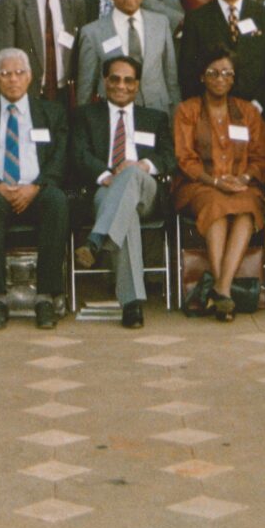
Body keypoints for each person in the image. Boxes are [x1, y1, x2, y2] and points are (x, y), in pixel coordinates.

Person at [0, 49, 71, 330]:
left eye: (19, 73)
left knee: (57, 200)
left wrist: (36, 186)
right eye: (5, 74)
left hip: (38, 191)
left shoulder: (52, 112)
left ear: (30, 77)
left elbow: (61, 159)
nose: (13, 80)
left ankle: (46, 297)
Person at [71, 56, 174, 329]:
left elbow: (168, 156)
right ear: (105, 81)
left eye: (128, 80)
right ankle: (131, 304)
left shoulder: (155, 118)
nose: (121, 85)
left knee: (130, 175)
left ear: (137, 84)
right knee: (126, 215)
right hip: (104, 192)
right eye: (114, 78)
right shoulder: (85, 116)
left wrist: (141, 166)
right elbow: (79, 154)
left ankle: (96, 239)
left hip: (147, 193)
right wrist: (107, 176)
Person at [173, 54, 265, 322]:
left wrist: (245, 179)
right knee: (216, 204)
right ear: (201, 77)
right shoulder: (187, 110)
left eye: (227, 73)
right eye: (213, 72)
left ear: (234, 79)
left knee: (247, 207)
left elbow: (261, 157)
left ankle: (221, 291)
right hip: (200, 185)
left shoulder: (248, 112)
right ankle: (224, 289)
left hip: (242, 185)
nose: (220, 79)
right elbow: (185, 158)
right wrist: (215, 181)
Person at [74, 0, 179, 114]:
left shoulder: (161, 23)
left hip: (158, 113)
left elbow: (171, 79)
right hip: (113, 116)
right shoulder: (92, 33)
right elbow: (85, 90)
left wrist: (175, 116)